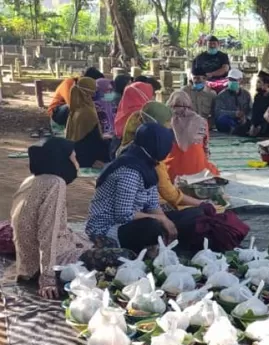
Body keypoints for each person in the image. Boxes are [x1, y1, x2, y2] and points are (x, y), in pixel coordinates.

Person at [85, 123, 199, 253]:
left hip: (134, 220)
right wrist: (161, 220)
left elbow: (152, 205)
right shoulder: (130, 170)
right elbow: (124, 215)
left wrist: (167, 222)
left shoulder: (148, 164)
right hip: (107, 229)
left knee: (194, 215)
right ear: (158, 145)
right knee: (152, 228)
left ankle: (167, 243)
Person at [11, 138, 93, 298]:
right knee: (119, 256)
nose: (77, 163)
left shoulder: (31, 180)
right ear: (61, 159)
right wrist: (47, 278)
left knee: (94, 241)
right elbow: (48, 231)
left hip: (28, 265)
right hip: (48, 265)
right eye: (74, 158)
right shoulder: (55, 183)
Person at [165, 90, 219, 181]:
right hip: (198, 171)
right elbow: (206, 148)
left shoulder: (167, 122)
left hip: (172, 173)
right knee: (210, 167)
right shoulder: (201, 121)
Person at [65, 77, 111, 170]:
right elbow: (94, 138)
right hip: (85, 156)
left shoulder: (77, 107)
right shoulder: (87, 111)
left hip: (75, 151)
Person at [214, 68, 253, 135]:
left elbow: (251, 110)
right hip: (230, 121)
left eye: (234, 80)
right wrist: (234, 114)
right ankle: (235, 129)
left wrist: (245, 118)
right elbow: (218, 112)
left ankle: (240, 129)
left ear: (240, 80)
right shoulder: (222, 95)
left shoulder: (246, 94)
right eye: (230, 80)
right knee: (222, 120)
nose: (231, 82)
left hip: (243, 120)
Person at [249, 71, 269, 137]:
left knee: (268, 127)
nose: (256, 84)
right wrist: (253, 125)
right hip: (258, 124)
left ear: (266, 84)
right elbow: (254, 113)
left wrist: (260, 127)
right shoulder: (257, 96)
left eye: (259, 82)